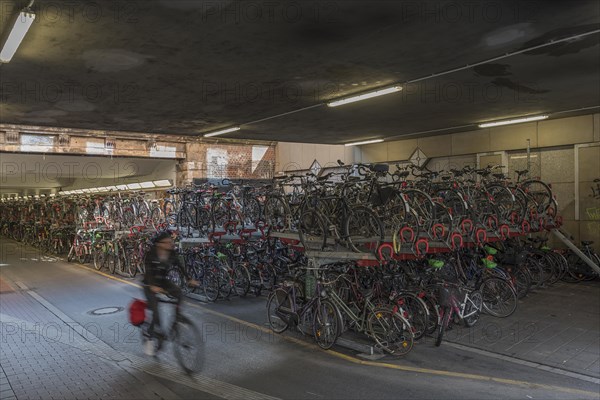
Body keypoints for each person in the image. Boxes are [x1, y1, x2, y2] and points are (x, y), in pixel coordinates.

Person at [143, 231, 197, 338]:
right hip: (149, 284)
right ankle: (151, 333)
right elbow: (148, 270)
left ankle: (176, 320)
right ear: (159, 244)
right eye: (167, 242)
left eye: (170, 242)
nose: (170, 244)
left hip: (163, 281)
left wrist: (189, 279)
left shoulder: (171, 253)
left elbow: (180, 266)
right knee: (156, 312)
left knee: (179, 293)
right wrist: (152, 286)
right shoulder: (151, 253)